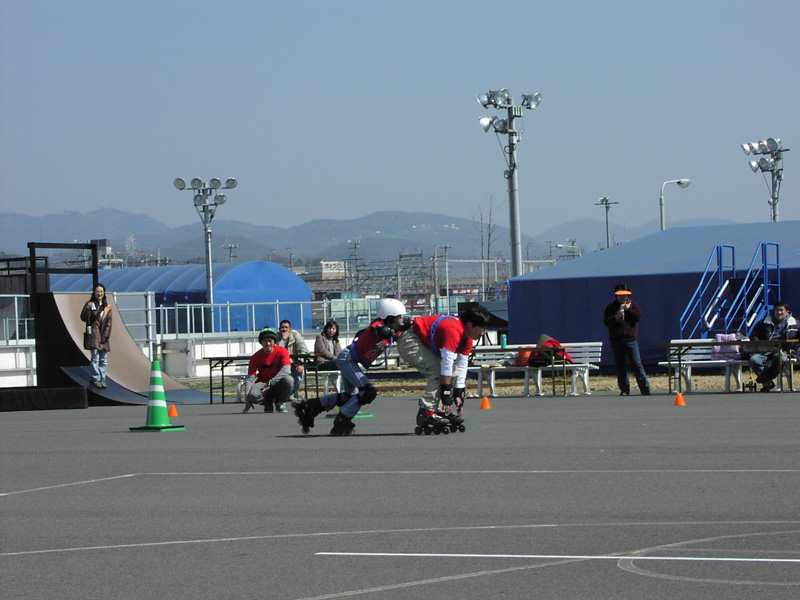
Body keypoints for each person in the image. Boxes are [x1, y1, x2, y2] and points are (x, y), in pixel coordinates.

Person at [293, 298, 410, 436]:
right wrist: (402, 326)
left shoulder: (393, 330)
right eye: (398, 316)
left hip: (351, 360)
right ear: (389, 316)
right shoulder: (378, 325)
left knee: (350, 396)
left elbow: (400, 332)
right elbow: (381, 331)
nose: (401, 319)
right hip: (347, 358)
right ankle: (343, 419)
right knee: (367, 392)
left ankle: (312, 406)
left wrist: (411, 324)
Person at [396, 304, 491, 432]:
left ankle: (440, 411)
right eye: (481, 329)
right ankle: (426, 411)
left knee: (454, 373)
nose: (482, 333)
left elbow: (462, 365)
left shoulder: (467, 338)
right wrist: (446, 394)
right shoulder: (454, 329)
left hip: (422, 341)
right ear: (469, 324)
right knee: (438, 371)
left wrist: (458, 394)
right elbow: (446, 363)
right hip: (410, 339)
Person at [603, 283, 651, 396]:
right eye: (620, 295)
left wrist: (628, 310)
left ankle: (645, 389)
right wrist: (616, 317)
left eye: (624, 295)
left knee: (637, 364)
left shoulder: (633, 305)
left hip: (631, 340)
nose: (622, 297)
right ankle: (624, 389)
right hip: (616, 341)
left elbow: (638, 317)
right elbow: (606, 322)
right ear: (616, 295)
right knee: (621, 366)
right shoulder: (611, 307)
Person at [747, 301, 798, 392]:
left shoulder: (794, 324)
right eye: (777, 310)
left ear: (787, 312)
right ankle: (768, 383)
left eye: (781, 310)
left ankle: (765, 379)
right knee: (754, 360)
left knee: (782, 359)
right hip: (764, 350)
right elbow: (754, 335)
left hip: (782, 350)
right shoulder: (764, 322)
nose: (779, 312)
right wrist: (758, 344)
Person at [243, 328, 294, 413]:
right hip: (263, 382)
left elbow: (286, 370)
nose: (268, 344)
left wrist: (270, 383)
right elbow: (250, 379)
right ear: (261, 342)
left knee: (289, 380)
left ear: (274, 341)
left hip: (277, 382)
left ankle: (280, 402)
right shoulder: (255, 357)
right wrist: (247, 400)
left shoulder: (282, 351)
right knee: (253, 395)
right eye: (265, 341)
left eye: (270, 341)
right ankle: (267, 402)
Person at [80, 283, 113, 389]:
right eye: (97, 291)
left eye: (101, 291)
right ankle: (96, 378)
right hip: (94, 335)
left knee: (103, 359)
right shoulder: (90, 305)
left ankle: (103, 378)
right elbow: (83, 317)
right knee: (95, 357)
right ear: (94, 293)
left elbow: (109, 323)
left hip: (103, 336)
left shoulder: (107, 307)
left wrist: (105, 336)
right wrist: (88, 310)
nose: (99, 293)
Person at [277, 319, 310, 400]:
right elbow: (276, 351)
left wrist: (301, 364)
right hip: (280, 365)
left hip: (294, 363)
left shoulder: (295, 335)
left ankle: (290, 395)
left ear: (290, 329)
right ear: (279, 329)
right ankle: (280, 395)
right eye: (282, 327)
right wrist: (283, 340)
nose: (284, 329)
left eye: (286, 327)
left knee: (300, 374)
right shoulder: (276, 336)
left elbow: (304, 350)